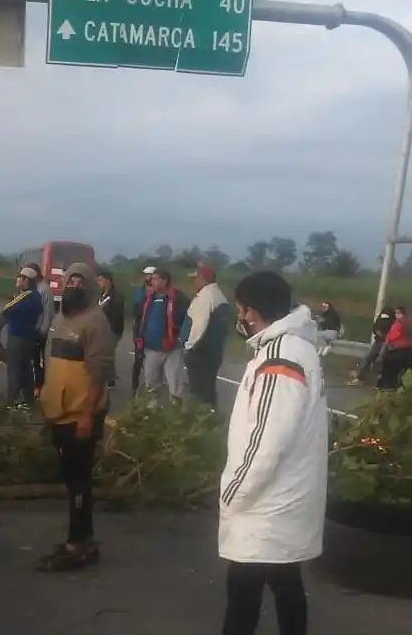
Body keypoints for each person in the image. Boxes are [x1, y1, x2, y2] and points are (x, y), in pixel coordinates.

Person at [219, 271, 327, 635]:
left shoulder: (280, 357)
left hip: (267, 503)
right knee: (285, 582)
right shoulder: (293, 348)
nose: (241, 318)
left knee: (243, 594)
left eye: (241, 310)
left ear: (251, 312)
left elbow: (267, 437)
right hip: (285, 498)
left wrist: (234, 491)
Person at [37, 263, 113, 572]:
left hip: (80, 415)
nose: (74, 286)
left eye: (80, 282)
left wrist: (86, 416)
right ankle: (87, 541)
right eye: (70, 281)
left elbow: (99, 372)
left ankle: (76, 546)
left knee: (79, 483)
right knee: (71, 481)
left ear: (90, 287)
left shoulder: (95, 321)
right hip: (59, 413)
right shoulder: (59, 318)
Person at [135, 269, 190, 402]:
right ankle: (151, 413)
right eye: (151, 279)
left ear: (165, 281)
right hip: (151, 348)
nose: (152, 281)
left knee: (175, 384)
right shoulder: (149, 298)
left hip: (172, 349)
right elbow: (137, 313)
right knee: (151, 384)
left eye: (155, 279)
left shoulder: (178, 298)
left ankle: (175, 415)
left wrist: (180, 339)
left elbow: (188, 319)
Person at [181, 264, 231, 408]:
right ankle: (209, 419)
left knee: (199, 392)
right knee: (207, 389)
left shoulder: (206, 297)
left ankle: (202, 423)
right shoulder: (217, 295)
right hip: (212, 352)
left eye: (195, 278)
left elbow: (199, 326)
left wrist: (189, 347)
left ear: (204, 278)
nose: (193, 282)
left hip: (201, 352)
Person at [1, 267, 44, 403]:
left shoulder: (25, 296)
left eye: (20, 277)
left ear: (26, 280)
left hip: (17, 338)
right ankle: (28, 400)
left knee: (14, 370)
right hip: (29, 338)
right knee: (26, 370)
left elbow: (6, 310)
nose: (17, 280)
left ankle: (10, 401)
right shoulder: (36, 296)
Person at [27, 262, 55, 395]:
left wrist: (43, 331)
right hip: (30, 331)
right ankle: (32, 385)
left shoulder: (44, 289)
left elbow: (48, 313)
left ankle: (40, 386)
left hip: (39, 332)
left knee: (39, 361)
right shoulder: (31, 288)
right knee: (32, 360)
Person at [349, 305, 394, 386]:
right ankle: (360, 377)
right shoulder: (380, 318)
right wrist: (377, 332)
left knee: (380, 361)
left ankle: (380, 381)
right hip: (378, 341)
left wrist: (384, 335)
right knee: (368, 358)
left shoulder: (392, 321)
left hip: (386, 343)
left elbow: (392, 333)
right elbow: (375, 327)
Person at [96, 269, 124, 388]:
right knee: (106, 353)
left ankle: (110, 380)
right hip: (103, 328)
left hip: (113, 329)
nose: (99, 282)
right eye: (98, 280)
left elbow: (116, 314)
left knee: (107, 353)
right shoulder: (102, 294)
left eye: (101, 279)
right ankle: (109, 378)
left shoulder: (116, 296)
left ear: (108, 280)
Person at [131, 266, 155, 393]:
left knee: (151, 358)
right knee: (138, 357)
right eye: (145, 275)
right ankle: (134, 389)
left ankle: (150, 386)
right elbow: (135, 309)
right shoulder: (139, 291)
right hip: (139, 329)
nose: (147, 277)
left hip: (151, 329)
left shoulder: (158, 292)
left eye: (149, 275)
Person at [376, 306, 412, 391]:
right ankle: (385, 385)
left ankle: (389, 385)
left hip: (400, 350)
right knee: (388, 365)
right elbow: (390, 335)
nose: (397, 315)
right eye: (396, 313)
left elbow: (398, 337)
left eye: (399, 313)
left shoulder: (405, 324)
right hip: (392, 348)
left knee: (393, 366)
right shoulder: (397, 323)